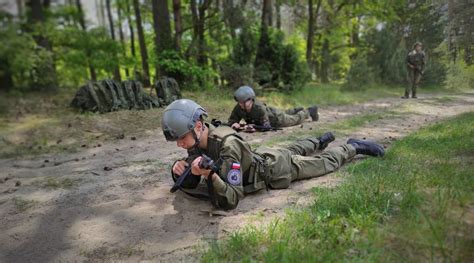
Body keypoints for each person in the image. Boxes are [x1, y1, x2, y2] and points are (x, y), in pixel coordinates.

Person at [162, 99, 385, 210]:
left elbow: (231, 198)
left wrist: (211, 176)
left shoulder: (227, 145)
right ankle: (318, 140)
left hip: (275, 169)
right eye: (177, 140)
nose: (180, 144)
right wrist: (177, 169)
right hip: (263, 155)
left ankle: (353, 147)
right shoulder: (197, 141)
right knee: (294, 148)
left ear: (199, 126)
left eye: (182, 138)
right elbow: (191, 165)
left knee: (323, 163)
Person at [228, 86, 319, 130]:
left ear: (251, 100)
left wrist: (252, 127)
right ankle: (296, 109)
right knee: (285, 112)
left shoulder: (259, 108)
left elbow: (266, 126)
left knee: (295, 119)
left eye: (243, 102)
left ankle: (309, 111)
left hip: (276, 119)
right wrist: (234, 124)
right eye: (239, 102)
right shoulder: (238, 108)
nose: (241, 104)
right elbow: (231, 121)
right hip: (271, 111)